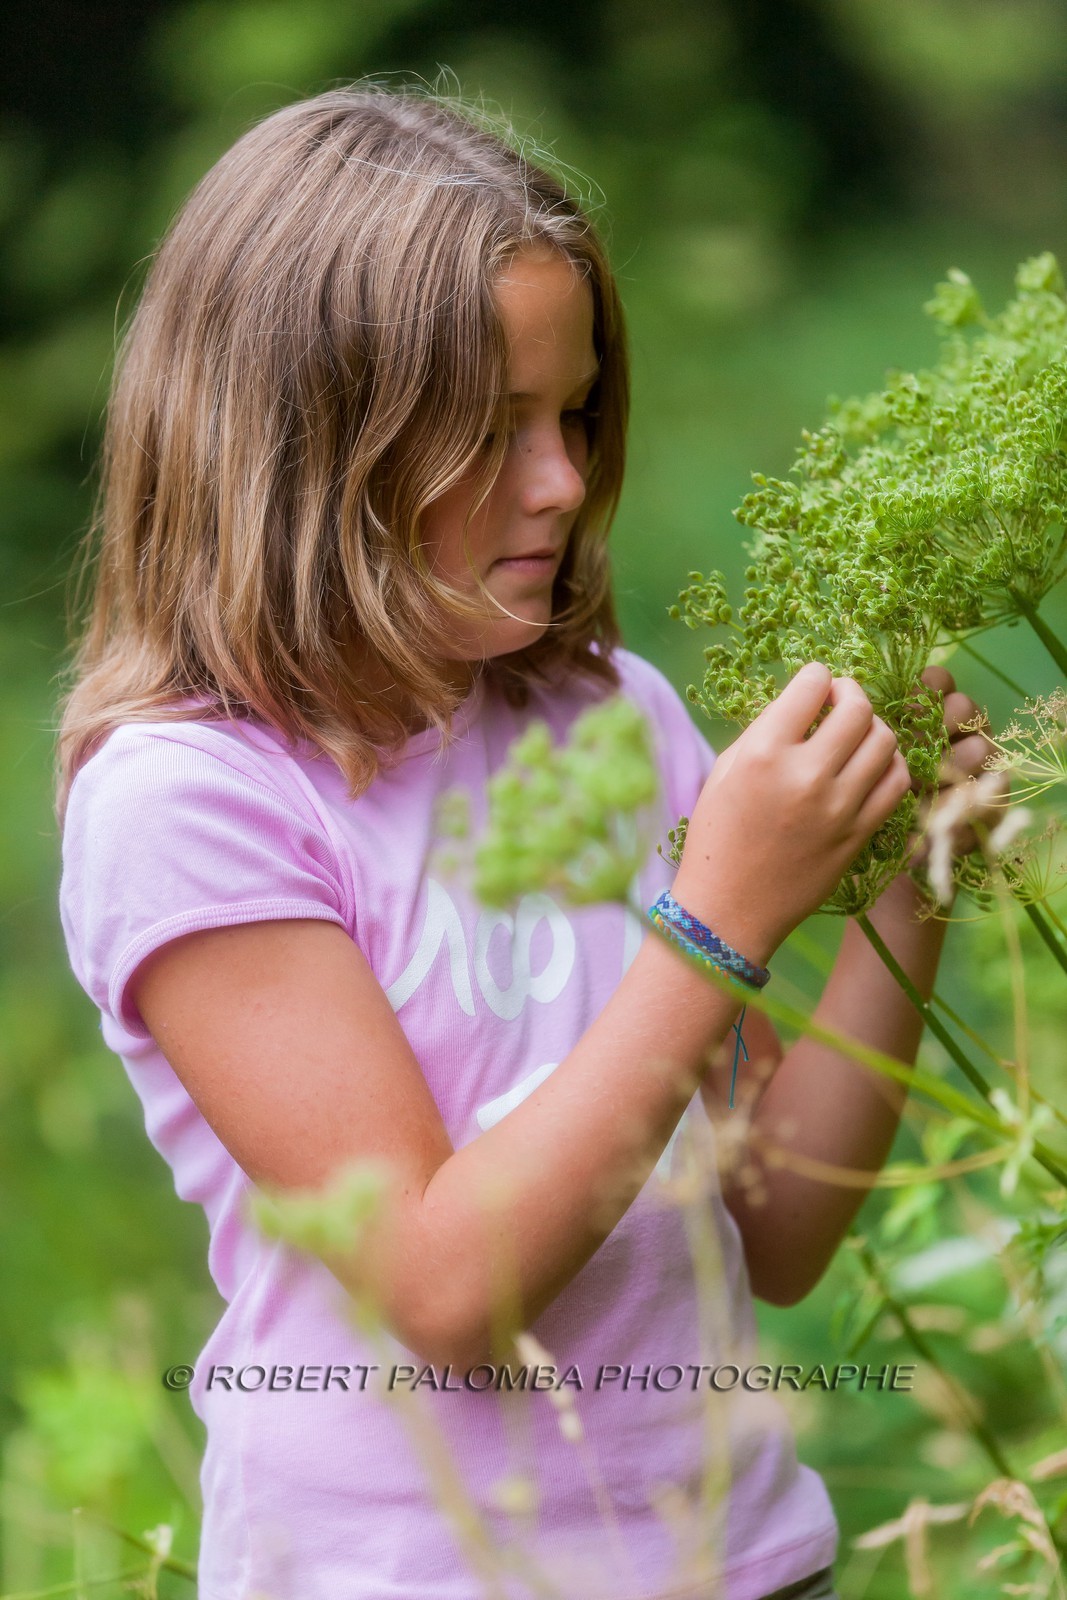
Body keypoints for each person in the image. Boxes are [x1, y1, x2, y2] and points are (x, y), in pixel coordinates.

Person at [54, 84, 994, 1600]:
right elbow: (439, 1285)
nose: (560, 481)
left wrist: (912, 874)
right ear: (304, 447)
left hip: (744, 1562)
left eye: (576, 413)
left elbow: (778, 1227)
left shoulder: (605, 711)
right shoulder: (189, 802)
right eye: (491, 432)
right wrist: (718, 925)